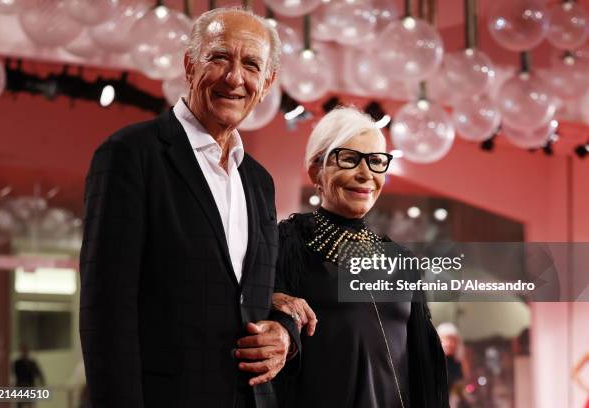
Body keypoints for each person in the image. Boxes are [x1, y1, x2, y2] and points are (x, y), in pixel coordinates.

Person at [79, 8, 300, 408]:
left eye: (251, 65)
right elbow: (106, 312)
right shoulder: (130, 155)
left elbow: (254, 292)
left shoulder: (260, 182)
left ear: (266, 84)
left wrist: (285, 331)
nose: (234, 78)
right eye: (219, 58)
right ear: (189, 65)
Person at [271, 107, 449, 407]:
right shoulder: (289, 244)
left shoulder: (401, 259)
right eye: (350, 159)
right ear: (317, 170)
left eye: (376, 161)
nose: (366, 174)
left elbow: (422, 365)